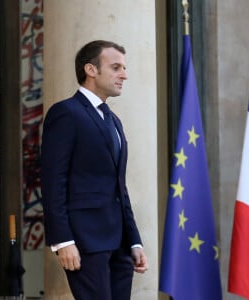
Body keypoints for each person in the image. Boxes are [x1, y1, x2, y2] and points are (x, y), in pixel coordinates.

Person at [41, 40, 148, 300]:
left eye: (124, 67)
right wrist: (63, 240)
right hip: (85, 240)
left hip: (120, 243)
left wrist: (133, 240)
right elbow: (53, 181)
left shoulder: (114, 121)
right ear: (91, 69)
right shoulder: (66, 113)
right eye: (116, 67)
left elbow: (118, 187)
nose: (125, 74)